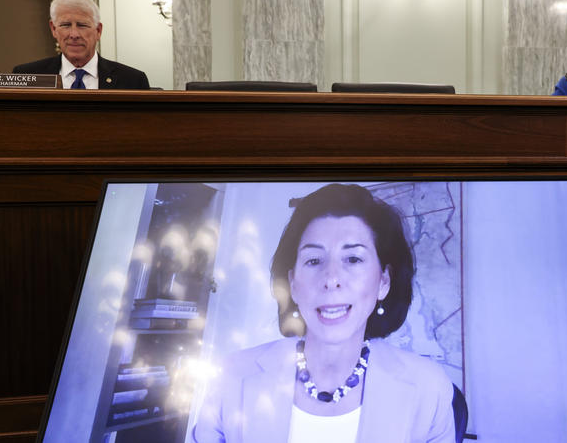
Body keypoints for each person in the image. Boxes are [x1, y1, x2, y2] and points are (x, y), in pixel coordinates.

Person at [192, 184, 455, 442]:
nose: (331, 279)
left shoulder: (429, 389)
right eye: (314, 260)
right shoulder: (232, 377)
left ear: (383, 282)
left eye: (353, 259)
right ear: (293, 284)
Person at [12, 0, 149, 90]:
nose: (74, 34)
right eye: (65, 25)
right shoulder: (27, 76)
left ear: (98, 30)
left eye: (82, 25)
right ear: (54, 29)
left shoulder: (133, 80)